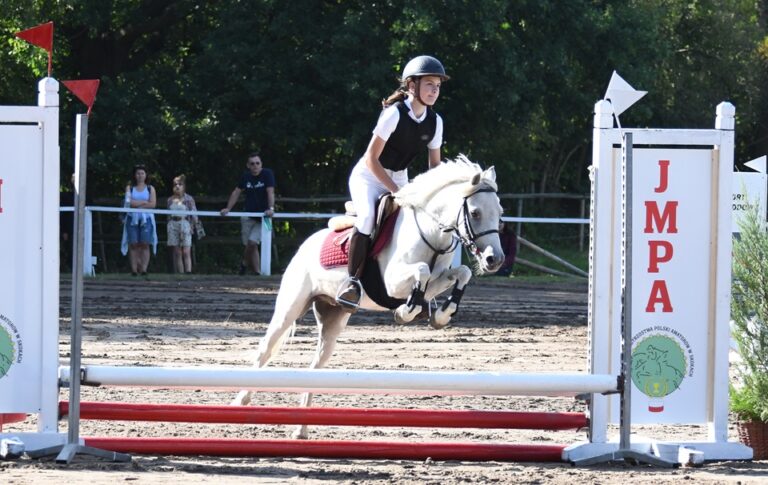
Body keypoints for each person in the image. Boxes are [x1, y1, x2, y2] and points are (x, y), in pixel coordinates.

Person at [335, 55, 449, 310]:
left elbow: (435, 167)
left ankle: (419, 289)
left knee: (415, 224)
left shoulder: (435, 121)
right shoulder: (392, 115)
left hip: (400, 176)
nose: (434, 90)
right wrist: (396, 191)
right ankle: (351, 282)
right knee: (366, 218)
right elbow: (371, 159)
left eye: (438, 86)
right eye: (429, 84)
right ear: (412, 86)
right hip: (368, 176)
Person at [220, 153, 275, 275]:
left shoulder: (267, 174)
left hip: (264, 217)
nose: (255, 166)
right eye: (252, 163)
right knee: (250, 245)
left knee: (252, 242)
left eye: (257, 163)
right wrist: (228, 208)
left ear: (261, 164)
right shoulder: (245, 176)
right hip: (248, 215)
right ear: (248, 165)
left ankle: (246, 265)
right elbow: (236, 192)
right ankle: (256, 272)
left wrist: (271, 208)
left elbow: (270, 192)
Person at [120, 164, 157, 276]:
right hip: (132, 219)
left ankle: (144, 269)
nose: (140, 175)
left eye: (142, 173)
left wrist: (137, 204)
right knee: (133, 244)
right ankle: (134, 270)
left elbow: (153, 204)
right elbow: (128, 203)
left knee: (145, 244)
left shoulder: (151, 188)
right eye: (138, 173)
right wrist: (144, 203)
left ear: (146, 175)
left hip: (147, 220)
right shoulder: (129, 188)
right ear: (135, 175)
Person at [166, 174, 199, 274]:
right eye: (175, 184)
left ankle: (188, 271)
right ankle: (180, 273)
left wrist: (192, 226)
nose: (177, 186)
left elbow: (194, 215)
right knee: (177, 252)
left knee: (186, 251)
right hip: (173, 224)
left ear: (184, 186)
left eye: (180, 184)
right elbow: (168, 215)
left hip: (185, 224)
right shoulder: (170, 200)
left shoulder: (189, 199)